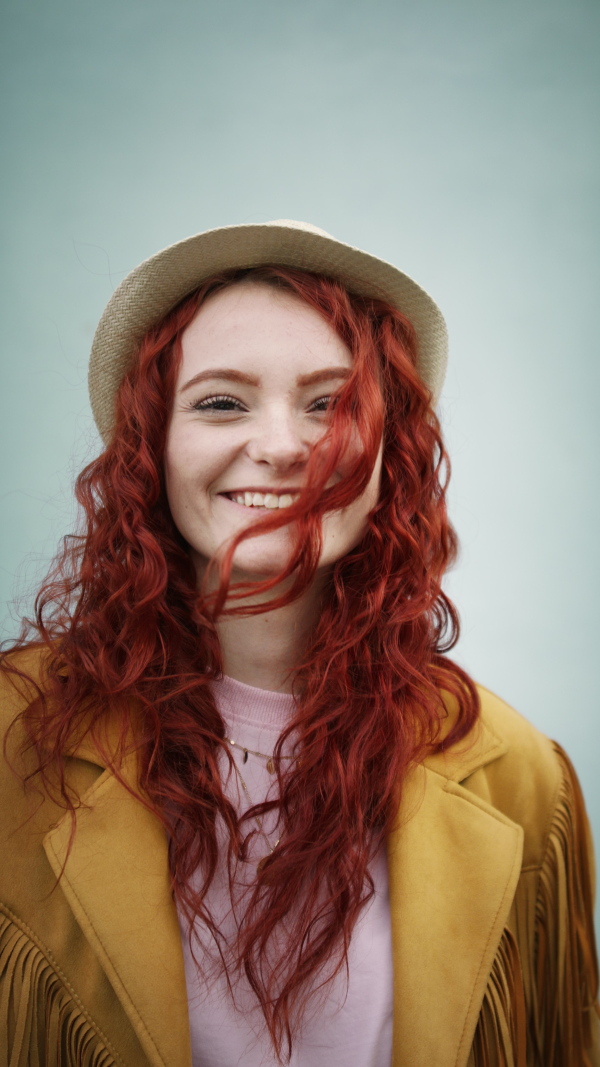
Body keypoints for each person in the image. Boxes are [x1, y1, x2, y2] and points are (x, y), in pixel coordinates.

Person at [0, 219, 598, 1067]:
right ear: (151, 448)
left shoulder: (520, 778)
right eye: (220, 402)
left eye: (332, 404)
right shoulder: (9, 741)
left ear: (392, 450)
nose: (282, 447)